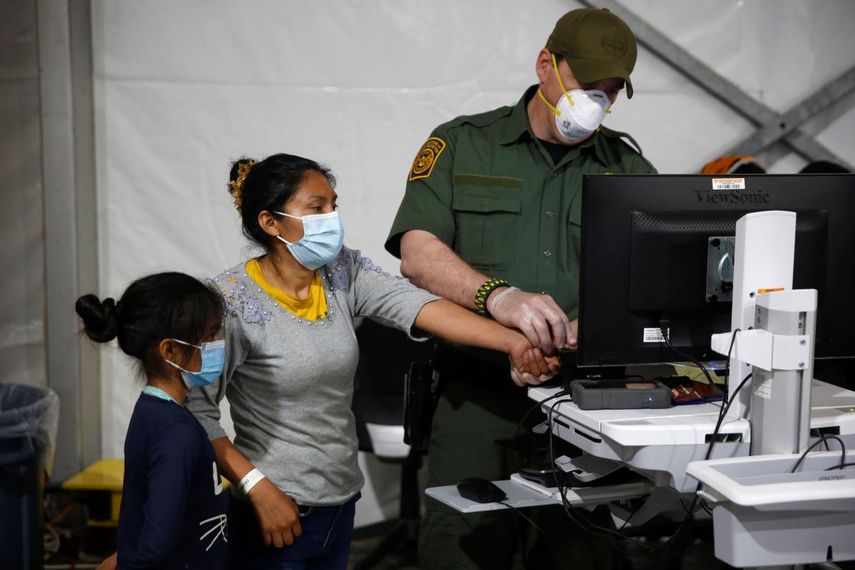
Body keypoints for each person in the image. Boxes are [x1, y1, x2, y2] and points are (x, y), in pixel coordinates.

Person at [186, 152, 560, 569]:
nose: (332, 218)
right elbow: (195, 409)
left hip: (340, 501)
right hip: (274, 509)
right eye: (316, 208)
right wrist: (257, 488)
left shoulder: (340, 271)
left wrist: (513, 342)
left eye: (333, 205)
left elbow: (416, 305)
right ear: (270, 223)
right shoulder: (229, 302)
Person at [385, 7, 656, 569]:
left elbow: (653, 282)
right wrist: (500, 299)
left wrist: (597, 327)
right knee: (463, 548)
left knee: (575, 549)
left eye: (609, 93)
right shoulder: (462, 144)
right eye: (586, 86)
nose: (595, 104)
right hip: (474, 399)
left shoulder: (627, 169)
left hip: (582, 408)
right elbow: (419, 254)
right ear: (546, 66)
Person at [75, 273, 228, 570]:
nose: (219, 342)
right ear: (169, 350)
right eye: (210, 334)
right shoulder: (176, 433)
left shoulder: (152, 411)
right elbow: (158, 542)